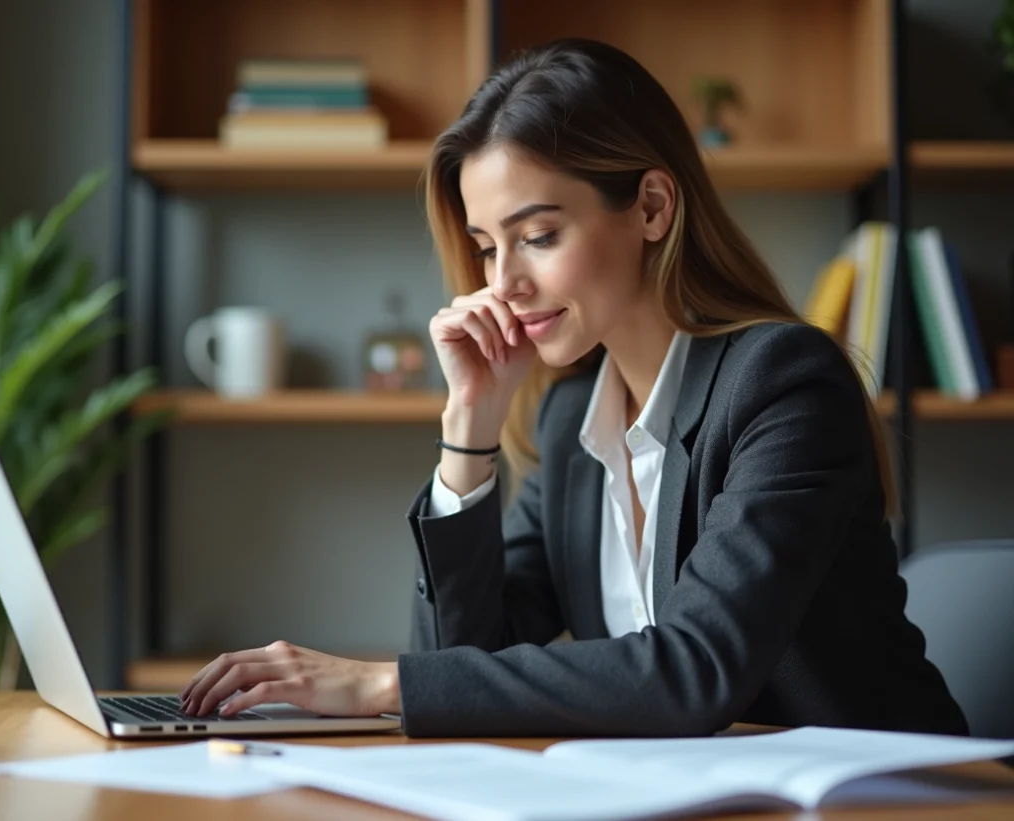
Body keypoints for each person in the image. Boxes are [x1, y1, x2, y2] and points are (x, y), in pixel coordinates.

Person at [179, 37, 969, 739]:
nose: (504, 282)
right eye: (488, 248)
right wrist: (469, 434)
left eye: (539, 236)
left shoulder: (783, 384)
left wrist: (377, 683)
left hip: (888, 800)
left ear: (652, 207)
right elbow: (462, 664)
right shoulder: (569, 418)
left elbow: (696, 670)